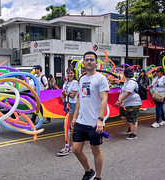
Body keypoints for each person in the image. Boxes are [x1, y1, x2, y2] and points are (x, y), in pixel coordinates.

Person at [71, 51, 109, 180]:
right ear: (84, 62)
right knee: (75, 149)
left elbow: (104, 99)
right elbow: (80, 99)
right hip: (81, 120)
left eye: (91, 60)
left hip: (94, 122)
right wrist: (75, 117)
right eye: (86, 60)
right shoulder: (82, 79)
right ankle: (89, 171)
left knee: (95, 150)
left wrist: (100, 119)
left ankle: (98, 177)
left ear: (96, 63)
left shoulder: (101, 78)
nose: (89, 62)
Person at [115, 69, 142, 139]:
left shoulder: (131, 82)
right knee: (123, 117)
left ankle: (133, 134)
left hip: (133, 103)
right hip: (126, 103)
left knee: (132, 118)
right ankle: (131, 127)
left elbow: (128, 92)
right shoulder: (128, 82)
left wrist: (119, 100)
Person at [58, 67, 79, 156]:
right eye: (68, 73)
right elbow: (65, 96)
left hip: (73, 105)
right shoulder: (66, 82)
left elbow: (73, 95)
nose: (70, 74)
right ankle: (73, 145)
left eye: (71, 73)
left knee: (68, 126)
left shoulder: (75, 83)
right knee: (70, 126)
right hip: (67, 105)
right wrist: (63, 96)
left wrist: (65, 93)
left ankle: (67, 147)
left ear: (74, 74)